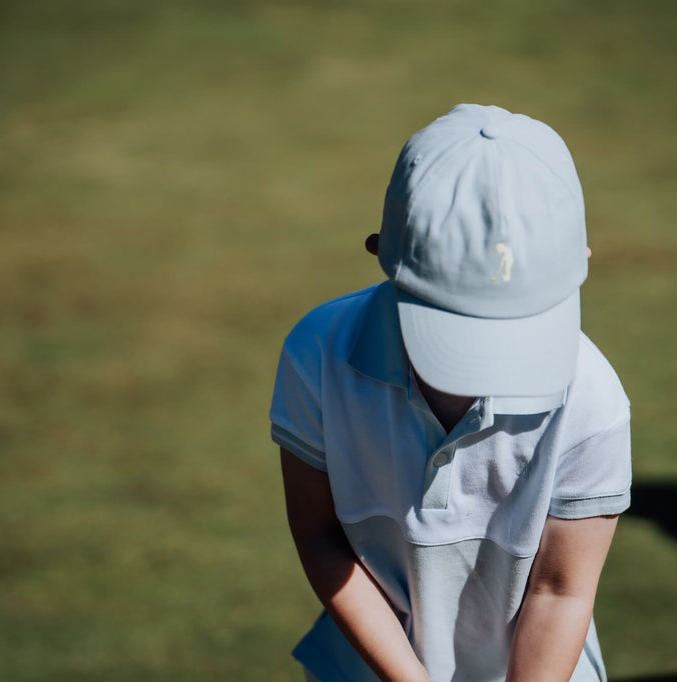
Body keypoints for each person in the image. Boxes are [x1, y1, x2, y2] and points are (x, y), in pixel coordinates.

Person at [270, 104, 632, 682]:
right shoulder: (318, 352)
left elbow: (561, 591)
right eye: (454, 323)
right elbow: (319, 534)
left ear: (583, 265)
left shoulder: (593, 401)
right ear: (379, 251)